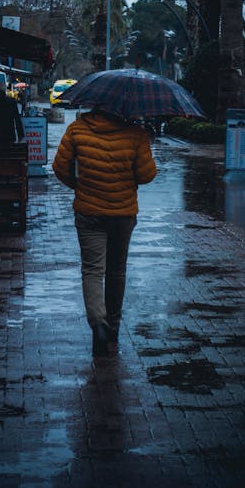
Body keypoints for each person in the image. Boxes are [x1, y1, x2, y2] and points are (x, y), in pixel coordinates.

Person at [52, 109, 157, 357]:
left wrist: (78, 186)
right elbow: (147, 175)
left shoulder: (77, 130)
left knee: (92, 270)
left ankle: (98, 324)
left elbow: (59, 167)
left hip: (89, 212)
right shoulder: (136, 134)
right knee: (116, 270)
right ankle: (114, 328)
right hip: (123, 213)